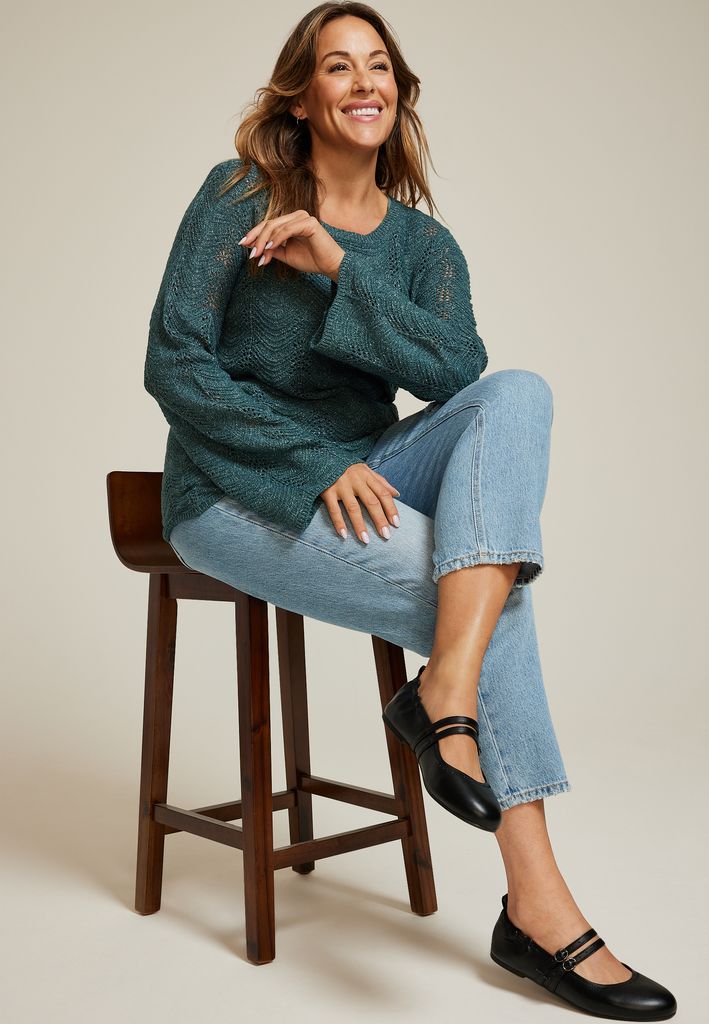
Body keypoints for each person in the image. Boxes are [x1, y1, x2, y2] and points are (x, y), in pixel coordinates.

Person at [143, 2, 677, 1018]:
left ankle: (447, 691)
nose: (362, 83)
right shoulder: (238, 193)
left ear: (399, 91)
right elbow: (173, 364)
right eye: (337, 66)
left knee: (516, 392)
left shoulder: (424, 246)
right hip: (231, 486)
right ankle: (538, 907)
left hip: (371, 468)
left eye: (378, 66)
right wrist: (310, 463)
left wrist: (338, 268)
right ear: (301, 98)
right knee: (494, 593)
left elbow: (452, 370)